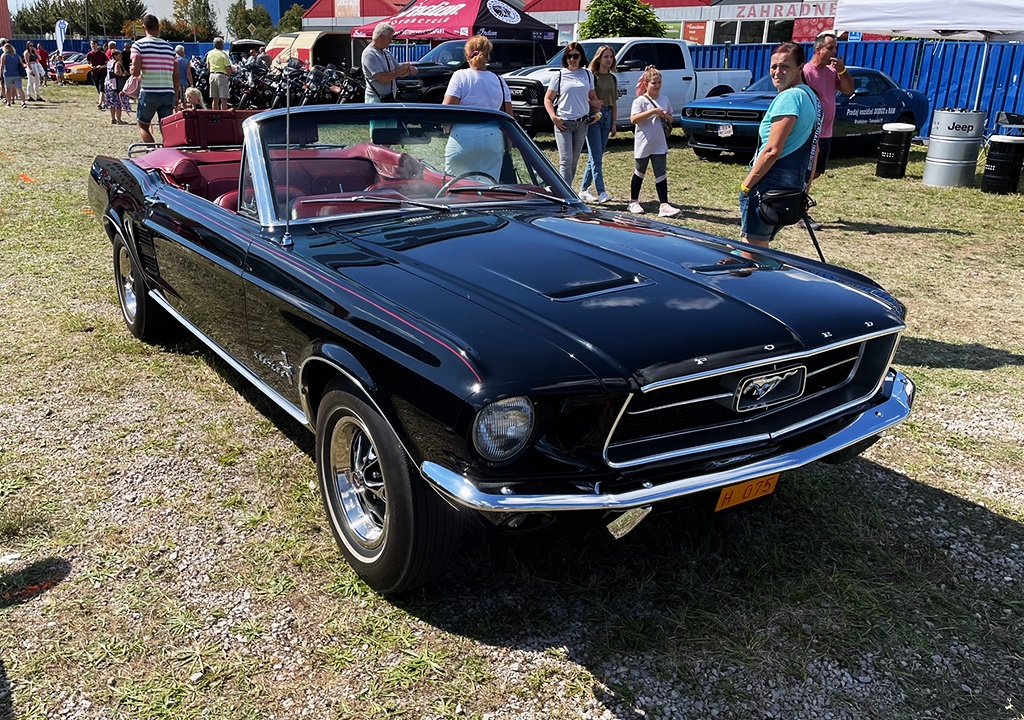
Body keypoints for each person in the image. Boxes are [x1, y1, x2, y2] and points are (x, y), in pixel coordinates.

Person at [739, 42, 821, 248]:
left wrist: (747, 186)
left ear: (800, 67)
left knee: (752, 248)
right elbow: (815, 150)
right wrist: (804, 188)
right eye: (774, 66)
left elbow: (772, 150)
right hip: (793, 185)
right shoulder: (812, 97)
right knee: (761, 246)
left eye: (785, 66)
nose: (777, 72)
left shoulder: (789, 97)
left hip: (769, 185)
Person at [801, 30, 854, 230]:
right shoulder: (806, 71)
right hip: (810, 132)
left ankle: (793, 199)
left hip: (827, 131)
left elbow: (849, 90)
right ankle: (800, 211)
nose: (834, 52)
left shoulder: (832, 72)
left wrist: (842, 71)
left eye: (836, 49)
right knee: (807, 171)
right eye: (830, 48)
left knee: (817, 171)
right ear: (817, 49)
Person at [441, 35, 513, 181]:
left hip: (462, 137)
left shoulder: (460, 76)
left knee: (456, 187)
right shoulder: (500, 81)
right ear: (488, 56)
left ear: (467, 55)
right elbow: (508, 116)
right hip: (492, 140)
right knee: (488, 187)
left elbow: (446, 110)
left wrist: (446, 127)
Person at [544, 42, 600, 186]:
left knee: (574, 160)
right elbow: (548, 99)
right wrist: (553, 117)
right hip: (564, 122)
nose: (572, 59)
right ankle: (566, 194)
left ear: (581, 57)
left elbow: (593, 97)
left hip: (582, 122)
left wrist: (597, 114)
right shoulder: (560, 75)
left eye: (575, 56)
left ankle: (566, 189)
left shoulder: (588, 74)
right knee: (565, 160)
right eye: (569, 56)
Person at [627, 66, 680, 217]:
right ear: (646, 84)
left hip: (659, 143)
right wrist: (652, 112)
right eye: (653, 83)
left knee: (661, 173)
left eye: (659, 82)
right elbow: (634, 119)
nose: (657, 86)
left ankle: (664, 204)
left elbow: (671, 118)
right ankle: (633, 201)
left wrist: (666, 116)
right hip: (644, 142)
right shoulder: (640, 101)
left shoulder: (664, 99)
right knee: (639, 172)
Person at [131, 14, 180, 144]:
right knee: (167, 128)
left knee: (143, 125)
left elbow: (135, 72)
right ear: (158, 27)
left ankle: (152, 151)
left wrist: (132, 68)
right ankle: (168, 153)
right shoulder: (170, 48)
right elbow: (176, 75)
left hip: (149, 92)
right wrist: (176, 95)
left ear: (143, 27)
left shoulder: (138, 46)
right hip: (168, 92)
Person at [579, 44, 616, 203]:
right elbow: (584, 96)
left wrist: (614, 123)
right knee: (596, 156)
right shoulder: (591, 76)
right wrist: (593, 103)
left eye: (611, 57)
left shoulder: (612, 77)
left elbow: (614, 102)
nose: (609, 60)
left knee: (596, 156)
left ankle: (583, 189)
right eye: (606, 57)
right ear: (599, 59)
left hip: (607, 116)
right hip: (595, 116)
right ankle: (601, 192)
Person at [361, 22, 417, 104]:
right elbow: (383, 78)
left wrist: (409, 69)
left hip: (388, 98)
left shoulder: (385, 52)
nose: (390, 41)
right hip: (375, 100)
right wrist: (402, 69)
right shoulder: (369, 54)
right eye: (389, 38)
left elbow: (399, 72)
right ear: (381, 36)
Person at [205, 37, 232, 110]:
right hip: (221, 75)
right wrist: (229, 76)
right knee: (223, 99)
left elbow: (208, 66)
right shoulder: (223, 55)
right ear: (221, 45)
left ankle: (215, 116)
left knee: (215, 99)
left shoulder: (210, 54)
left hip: (212, 75)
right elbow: (228, 68)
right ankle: (224, 115)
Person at [105, 49, 129, 124]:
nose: (121, 57)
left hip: (109, 84)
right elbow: (117, 72)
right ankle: (119, 119)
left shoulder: (109, 62)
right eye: (119, 55)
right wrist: (123, 75)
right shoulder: (117, 63)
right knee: (118, 103)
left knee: (112, 103)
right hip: (117, 85)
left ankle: (113, 119)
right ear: (115, 56)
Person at [1, 43, 27, 108]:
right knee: (19, 88)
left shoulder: (4, 55)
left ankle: (8, 103)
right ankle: (23, 102)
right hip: (17, 74)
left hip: (7, 74)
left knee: (8, 88)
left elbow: (2, 66)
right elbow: (21, 64)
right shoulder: (16, 55)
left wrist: (0, 74)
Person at [86, 40, 109, 109]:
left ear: (97, 45)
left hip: (102, 73)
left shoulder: (102, 54)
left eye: (94, 44)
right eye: (91, 44)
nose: (93, 45)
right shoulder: (89, 54)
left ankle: (100, 103)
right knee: (99, 89)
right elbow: (88, 63)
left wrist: (101, 66)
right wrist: (91, 66)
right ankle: (105, 103)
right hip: (94, 73)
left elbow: (107, 63)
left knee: (101, 88)